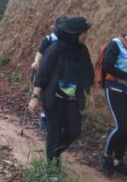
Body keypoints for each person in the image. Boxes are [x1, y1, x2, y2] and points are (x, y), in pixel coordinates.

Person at [28, 16, 94, 167]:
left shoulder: (82, 50)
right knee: (54, 131)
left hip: (72, 99)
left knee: (74, 130)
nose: (86, 36)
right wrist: (35, 96)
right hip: (54, 98)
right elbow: (43, 75)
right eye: (84, 33)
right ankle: (52, 167)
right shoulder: (55, 49)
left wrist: (90, 93)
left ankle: (55, 152)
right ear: (74, 34)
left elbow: (88, 71)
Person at [31, 16, 67, 130]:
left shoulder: (68, 40)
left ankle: (56, 119)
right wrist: (36, 62)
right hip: (48, 71)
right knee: (47, 93)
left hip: (61, 72)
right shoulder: (49, 39)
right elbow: (40, 52)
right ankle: (44, 116)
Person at [100, 34, 127, 176]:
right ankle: (106, 156)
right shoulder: (116, 44)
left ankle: (118, 161)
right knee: (122, 125)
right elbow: (108, 66)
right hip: (114, 88)